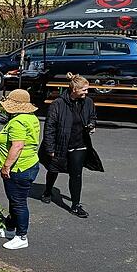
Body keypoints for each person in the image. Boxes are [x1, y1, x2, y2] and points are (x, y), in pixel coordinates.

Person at [40, 73, 103, 218]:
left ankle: (75, 205)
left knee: (76, 174)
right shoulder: (58, 104)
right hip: (60, 144)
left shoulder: (88, 102)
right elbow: (49, 127)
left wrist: (92, 125)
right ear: (74, 89)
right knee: (53, 169)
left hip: (79, 144)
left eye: (87, 90)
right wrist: (50, 148)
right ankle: (48, 191)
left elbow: (93, 116)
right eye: (84, 90)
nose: (87, 93)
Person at [0, 89, 41, 250]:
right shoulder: (31, 118)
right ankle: (10, 228)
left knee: (19, 202)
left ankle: (22, 236)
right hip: (29, 164)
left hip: (19, 168)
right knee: (14, 200)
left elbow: (18, 145)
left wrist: (6, 166)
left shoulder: (18, 122)